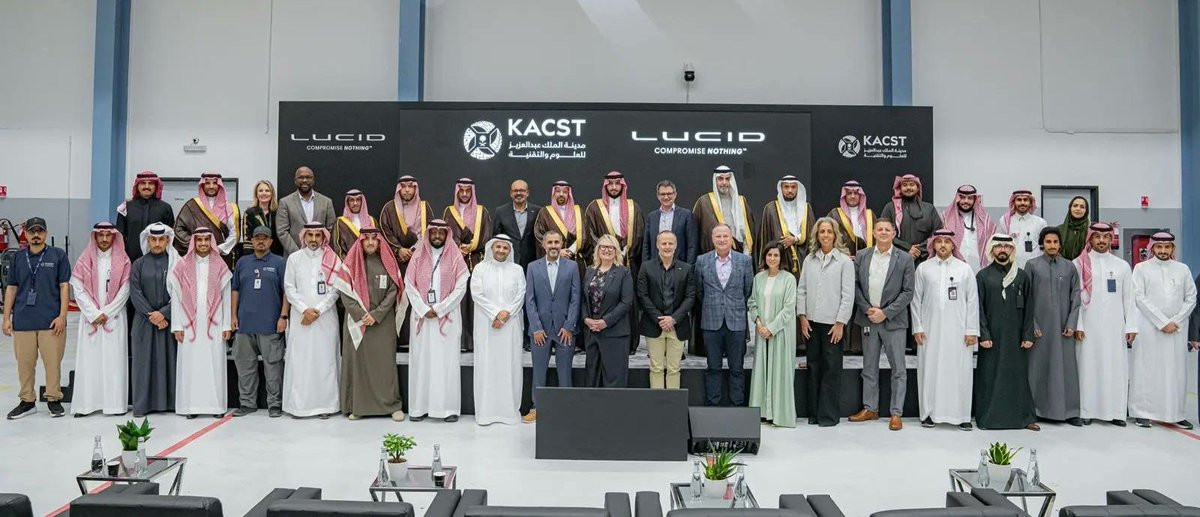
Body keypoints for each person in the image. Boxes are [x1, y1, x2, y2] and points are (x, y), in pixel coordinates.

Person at [332, 228, 407, 421]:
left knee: (385, 366)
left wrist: (376, 315)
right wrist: (361, 314)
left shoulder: (387, 262)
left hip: (382, 323)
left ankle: (392, 406)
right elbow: (345, 293)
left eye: (375, 239)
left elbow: (394, 291)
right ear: (361, 242)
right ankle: (359, 407)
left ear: (380, 241)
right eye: (366, 239)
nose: (371, 242)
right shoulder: (351, 264)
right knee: (359, 365)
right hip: (357, 322)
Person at [849, 219, 915, 431]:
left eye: (888, 229)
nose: (884, 232)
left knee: (898, 369)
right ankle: (870, 408)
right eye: (880, 229)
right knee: (869, 367)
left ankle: (896, 413)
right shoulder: (862, 256)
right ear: (874, 233)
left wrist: (885, 313)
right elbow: (855, 285)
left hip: (893, 321)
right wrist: (867, 308)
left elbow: (908, 292)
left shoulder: (905, 259)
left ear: (894, 233)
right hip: (868, 318)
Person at [910, 229, 978, 430]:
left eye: (947, 242)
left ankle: (962, 415)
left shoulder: (965, 269)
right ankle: (928, 414)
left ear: (953, 245)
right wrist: (917, 327)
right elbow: (915, 300)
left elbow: (972, 301)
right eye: (938, 241)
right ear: (933, 245)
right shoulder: (924, 268)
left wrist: (971, 330)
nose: (942, 245)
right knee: (929, 370)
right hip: (929, 330)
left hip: (959, 331)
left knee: (960, 371)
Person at [3, 217, 70, 419]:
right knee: (24, 364)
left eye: (40, 231)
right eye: (32, 231)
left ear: (46, 233)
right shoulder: (17, 257)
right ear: (26, 234)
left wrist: (62, 316)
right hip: (23, 320)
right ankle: (27, 401)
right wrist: (6, 318)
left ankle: (53, 399)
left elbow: (64, 286)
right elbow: (11, 288)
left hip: (51, 321)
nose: (36, 235)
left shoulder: (58, 255)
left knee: (52, 363)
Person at [1129, 231, 1196, 429]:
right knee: (1147, 369)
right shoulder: (1141, 269)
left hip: (1176, 330)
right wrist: (1161, 322)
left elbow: (1191, 297)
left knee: (1175, 372)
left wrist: (1175, 321)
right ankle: (1142, 413)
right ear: (1152, 248)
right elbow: (1139, 297)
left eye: (1167, 247)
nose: (1163, 251)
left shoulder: (1182, 269)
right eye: (1159, 247)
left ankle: (1175, 413)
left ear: (1172, 248)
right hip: (1149, 329)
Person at [404, 220, 470, 422]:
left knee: (446, 364)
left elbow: (461, 287)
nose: (438, 236)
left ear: (447, 235)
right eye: (434, 232)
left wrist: (440, 309)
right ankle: (419, 408)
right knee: (421, 363)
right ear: (429, 234)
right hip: (422, 318)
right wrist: (424, 309)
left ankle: (448, 409)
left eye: (442, 232)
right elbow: (409, 284)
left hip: (447, 319)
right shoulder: (417, 256)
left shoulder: (455, 256)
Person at [1073, 222, 1136, 426]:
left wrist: (1131, 326)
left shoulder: (1122, 266)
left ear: (1111, 239)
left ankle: (1116, 412)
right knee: (1088, 367)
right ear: (1090, 239)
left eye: (1106, 237)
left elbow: (1129, 299)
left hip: (1114, 327)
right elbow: (1075, 300)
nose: (1101, 241)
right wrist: (1078, 325)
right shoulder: (1078, 263)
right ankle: (1087, 411)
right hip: (1088, 327)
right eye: (1097, 237)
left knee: (1115, 367)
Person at [974, 235, 1038, 431]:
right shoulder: (983, 276)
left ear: (1012, 250)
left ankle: (1024, 418)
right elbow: (978, 309)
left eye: (1007, 246)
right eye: (998, 246)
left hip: (1016, 337)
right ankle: (988, 418)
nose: (1003, 249)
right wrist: (984, 335)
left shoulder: (1021, 276)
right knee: (990, 376)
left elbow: (1030, 307)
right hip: (992, 338)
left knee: (1018, 376)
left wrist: (1028, 335)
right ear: (992, 250)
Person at [796, 218, 855, 427]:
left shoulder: (844, 262)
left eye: (829, 231)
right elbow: (802, 290)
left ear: (835, 235)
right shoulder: (809, 260)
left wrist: (840, 323)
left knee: (831, 369)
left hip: (833, 324)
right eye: (822, 231)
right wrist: (802, 317)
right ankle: (814, 414)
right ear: (817, 235)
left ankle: (828, 416)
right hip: (811, 323)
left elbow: (848, 295)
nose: (826, 235)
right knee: (813, 367)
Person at [168, 228, 232, 419]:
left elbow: (227, 298)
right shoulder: (182, 265)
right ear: (194, 242)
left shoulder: (220, 265)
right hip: (188, 325)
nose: (203, 243)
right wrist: (177, 326)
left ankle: (216, 407)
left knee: (214, 365)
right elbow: (176, 298)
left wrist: (226, 325)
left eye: (206, 240)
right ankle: (191, 407)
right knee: (191, 365)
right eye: (199, 240)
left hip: (214, 324)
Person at [69, 222, 131, 417]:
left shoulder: (123, 260)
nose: (104, 239)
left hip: (114, 319)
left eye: (108, 235)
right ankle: (86, 406)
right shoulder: (84, 260)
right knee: (90, 363)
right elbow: (77, 288)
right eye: (100, 235)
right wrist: (94, 313)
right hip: (91, 320)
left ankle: (114, 406)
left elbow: (126, 289)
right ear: (95, 237)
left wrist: (108, 312)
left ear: (114, 237)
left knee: (114, 362)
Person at [282, 223, 341, 419]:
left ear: (323, 237)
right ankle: (299, 407)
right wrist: (304, 310)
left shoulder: (332, 259)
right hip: (301, 318)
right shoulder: (294, 259)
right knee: (301, 361)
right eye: (310, 235)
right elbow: (289, 288)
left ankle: (326, 406)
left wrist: (318, 310)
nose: (314, 239)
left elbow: (336, 290)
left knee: (325, 361)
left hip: (326, 319)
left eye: (317, 235)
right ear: (304, 237)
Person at [1025, 227, 1083, 425]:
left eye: (1055, 242)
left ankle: (1069, 412)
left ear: (1060, 244)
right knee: (1038, 368)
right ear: (1042, 244)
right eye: (1048, 242)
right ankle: (1036, 410)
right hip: (1040, 328)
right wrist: (1032, 324)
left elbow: (1076, 296)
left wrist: (1072, 323)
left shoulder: (1069, 267)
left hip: (1063, 328)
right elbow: (1027, 298)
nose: (1052, 245)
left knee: (1066, 368)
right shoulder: (1032, 265)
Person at [582, 171, 644, 354]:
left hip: (628, 262)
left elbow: (639, 232)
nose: (614, 187)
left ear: (622, 185)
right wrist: (609, 252)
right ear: (605, 186)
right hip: (604, 263)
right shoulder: (594, 207)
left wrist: (626, 251)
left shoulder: (633, 207)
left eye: (618, 183)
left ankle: (630, 343)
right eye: (611, 184)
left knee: (627, 301)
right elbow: (590, 233)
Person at [230, 226, 288, 418]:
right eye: (257, 238)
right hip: (244, 325)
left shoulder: (279, 262)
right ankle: (247, 403)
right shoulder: (242, 262)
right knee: (245, 367)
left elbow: (286, 292)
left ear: (271, 241)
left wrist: (283, 316)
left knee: (273, 367)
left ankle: (275, 404)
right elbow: (235, 289)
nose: (261, 241)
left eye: (265, 238)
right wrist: (233, 316)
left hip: (270, 324)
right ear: (252, 241)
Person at [523, 230, 580, 423]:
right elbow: (529, 300)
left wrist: (569, 326)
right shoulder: (533, 267)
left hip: (565, 330)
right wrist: (536, 328)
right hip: (540, 331)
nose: (553, 246)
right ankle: (536, 407)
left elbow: (575, 298)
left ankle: (566, 408)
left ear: (562, 244)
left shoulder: (572, 267)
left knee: (565, 371)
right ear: (543, 244)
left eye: (557, 242)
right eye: (550, 242)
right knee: (539, 371)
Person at [694, 225, 755, 406]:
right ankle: (713, 405)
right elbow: (699, 290)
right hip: (711, 322)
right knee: (713, 367)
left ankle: (737, 405)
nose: (722, 240)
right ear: (712, 239)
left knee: (737, 368)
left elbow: (748, 290)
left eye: (725, 236)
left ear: (731, 238)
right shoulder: (701, 261)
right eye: (718, 236)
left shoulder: (744, 261)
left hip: (736, 322)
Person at [471, 235, 527, 425]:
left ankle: (509, 413)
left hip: (511, 326)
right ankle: (486, 413)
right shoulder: (480, 269)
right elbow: (477, 294)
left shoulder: (517, 270)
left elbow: (521, 294)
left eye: (505, 248)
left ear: (510, 251)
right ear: (491, 248)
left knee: (510, 366)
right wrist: (496, 313)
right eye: (498, 247)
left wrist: (505, 315)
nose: (501, 251)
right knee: (486, 365)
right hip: (486, 326)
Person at [129, 223, 179, 417]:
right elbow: (135, 293)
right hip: (144, 322)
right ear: (147, 241)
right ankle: (143, 406)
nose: (157, 243)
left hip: (169, 322)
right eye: (153, 239)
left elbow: (182, 293)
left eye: (161, 239)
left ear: (167, 240)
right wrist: (153, 315)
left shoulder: (176, 263)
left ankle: (171, 404)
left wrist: (164, 313)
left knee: (170, 363)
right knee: (143, 365)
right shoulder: (138, 264)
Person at [637, 231, 696, 389]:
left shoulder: (686, 268)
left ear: (676, 246)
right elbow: (642, 295)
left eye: (670, 243)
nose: (667, 246)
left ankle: (672, 403)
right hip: (654, 325)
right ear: (657, 245)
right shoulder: (646, 267)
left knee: (674, 369)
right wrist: (660, 319)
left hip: (677, 326)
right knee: (656, 368)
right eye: (664, 243)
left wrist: (673, 318)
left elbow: (690, 297)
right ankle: (657, 403)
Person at [748, 242, 798, 427]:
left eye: (776, 255)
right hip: (762, 332)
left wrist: (772, 328)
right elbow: (752, 302)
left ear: (781, 258)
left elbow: (789, 308)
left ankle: (779, 413)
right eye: (769, 255)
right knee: (762, 369)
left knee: (780, 371)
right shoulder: (758, 278)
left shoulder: (789, 279)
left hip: (781, 332)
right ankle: (762, 411)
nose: (772, 258)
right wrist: (759, 324)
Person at [445, 178, 492, 352]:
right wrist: (458, 247)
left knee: (475, 300)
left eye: (468, 191)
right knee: (458, 299)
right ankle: (459, 341)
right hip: (456, 261)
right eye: (461, 191)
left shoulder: (482, 211)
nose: (464, 194)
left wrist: (471, 246)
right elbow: (446, 233)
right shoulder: (449, 211)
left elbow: (487, 235)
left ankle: (475, 341)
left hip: (477, 261)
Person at [582, 235, 635, 387]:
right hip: (593, 332)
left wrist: (605, 322)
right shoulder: (590, 271)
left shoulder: (623, 273)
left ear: (616, 251)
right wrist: (586, 319)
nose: (607, 250)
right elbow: (583, 299)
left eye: (611, 247)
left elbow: (626, 302)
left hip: (615, 334)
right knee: (592, 379)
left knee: (614, 381)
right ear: (598, 250)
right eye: (603, 247)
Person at [174, 173, 241, 268]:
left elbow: (234, 235)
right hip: (196, 257)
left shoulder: (230, 207)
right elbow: (178, 229)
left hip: (221, 257)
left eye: (215, 183)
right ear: (202, 185)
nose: (211, 186)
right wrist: (197, 245)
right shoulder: (191, 205)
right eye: (207, 183)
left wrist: (219, 249)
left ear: (220, 185)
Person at [877, 173, 942, 264]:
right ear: (900, 188)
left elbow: (937, 233)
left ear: (918, 188)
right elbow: (883, 232)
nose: (908, 188)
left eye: (911, 185)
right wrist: (907, 248)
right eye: (904, 185)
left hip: (925, 259)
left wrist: (919, 249)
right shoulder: (890, 208)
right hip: (896, 259)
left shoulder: (929, 208)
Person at [758, 175, 816, 274]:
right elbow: (764, 238)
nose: (790, 190)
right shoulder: (770, 209)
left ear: (797, 188)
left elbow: (813, 234)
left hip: (802, 258)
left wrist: (795, 239)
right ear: (781, 188)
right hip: (778, 259)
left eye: (793, 187)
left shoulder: (806, 208)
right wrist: (762, 264)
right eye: (786, 187)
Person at [694, 165, 755, 257]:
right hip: (712, 255)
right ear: (715, 181)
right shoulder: (704, 202)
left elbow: (748, 232)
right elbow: (695, 233)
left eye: (727, 179)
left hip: (738, 253)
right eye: (720, 179)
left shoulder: (741, 201)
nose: (724, 182)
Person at [379, 175, 435, 270]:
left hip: (421, 257)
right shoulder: (389, 208)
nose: (407, 190)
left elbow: (430, 231)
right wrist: (398, 249)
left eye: (410, 186)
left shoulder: (424, 207)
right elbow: (385, 231)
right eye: (403, 186)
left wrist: (415, 250)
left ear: (415, 188)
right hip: (397, 259)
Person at [116, 171, 175, 262]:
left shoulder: (165, 208)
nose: (146, 186)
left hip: (159, 259)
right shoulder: (126, 207)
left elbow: (170, 236)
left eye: (150, 183)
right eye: (143, 183)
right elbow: (120, 236)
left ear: (156, 186)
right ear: (137, 186)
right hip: (131, 259)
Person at [276, 166, 336, 255]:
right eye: (301, 177)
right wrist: (298, 254)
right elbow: (282, 232)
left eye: (308, 177)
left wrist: (321, 250)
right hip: (294, 256)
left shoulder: (326, 202)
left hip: (320, 255)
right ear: (295, 180)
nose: (304, 180)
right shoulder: (285, 202)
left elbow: (331, 230)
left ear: (313, 180)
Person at [940, 185, 995, 272]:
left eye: (970, 198)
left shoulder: (984, 219)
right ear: (957, 198)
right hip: (953, 267)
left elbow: (992, 244)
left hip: (979, 267)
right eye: (962, 197)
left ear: (975, 200)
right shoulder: (946, 218)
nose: (966, 201)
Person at [642, 180, 698, 265]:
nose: (666, 197)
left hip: (679, 266)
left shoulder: (686, 215)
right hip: (655, 266)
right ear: (658, 196)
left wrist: (688, 268)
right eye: (662, 194)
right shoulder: (651, 217)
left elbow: (692, 245)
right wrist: (646, 267)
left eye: (669, 194)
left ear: (675, 194)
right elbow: (646, 245)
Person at [493, 180, 542, 269]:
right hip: (508, 261)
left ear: (527, 193)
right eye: (515, 191)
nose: (518, 193)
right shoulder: (500, 212)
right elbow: (496, 237)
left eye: (522, 190)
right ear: (511, 193)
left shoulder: (538, 211)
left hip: (532, 262)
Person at [534, 180, 585, 261]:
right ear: (553, 193)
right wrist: (558, 251)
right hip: (552, 258)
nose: (561, 194)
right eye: (558, 191)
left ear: (569, 194)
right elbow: (539, 236)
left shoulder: (578, 212)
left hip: (574, 258)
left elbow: (583, 235)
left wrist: (569, 251)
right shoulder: (544, 213)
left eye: (565, 192)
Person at [997, 189, 1046, 268]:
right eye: (1019, 200)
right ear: (1014, 202)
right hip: (1011, 267)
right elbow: (999, 244)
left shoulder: (1040, 222)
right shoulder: (1005, 221)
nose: (1022, 203)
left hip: (1035, 268)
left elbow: (1044, 246)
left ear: (1030, 203)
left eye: (1025, 200)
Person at [828, 180, 875, 258]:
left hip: (866, 258)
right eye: (849, 193)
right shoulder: (835, 214)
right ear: (844, 196)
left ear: (860, 195)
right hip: (842, 258)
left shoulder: (869, 215)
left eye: (856, 193)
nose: (853, 196)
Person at [241, 180, 285, 256]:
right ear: (256, 194)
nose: (264, 193)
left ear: (272, 194)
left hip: (276, 255)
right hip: (256, 255)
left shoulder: (278, 212)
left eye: (267, 191)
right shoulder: (249, 213)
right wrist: (251, 258)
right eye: (260, 191)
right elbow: (247, 240)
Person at [333, 189, 377, 257]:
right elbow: (336, 246)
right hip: (349, 260)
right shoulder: (340, 222)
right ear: (347, 202)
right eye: (352, 200)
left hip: (371, 260)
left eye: (358, 200)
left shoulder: (372, 220)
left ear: (362, 202)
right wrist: (346, 261)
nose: (355, 203)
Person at [1057, 196, 1091, 260]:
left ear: (1086, 211)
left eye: (1082, 207)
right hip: (1062, 264)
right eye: (1075, 206)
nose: (1078, 209)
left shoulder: (1090, 230)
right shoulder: (1059, 230)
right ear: (1070, 208)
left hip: (1085, 265)